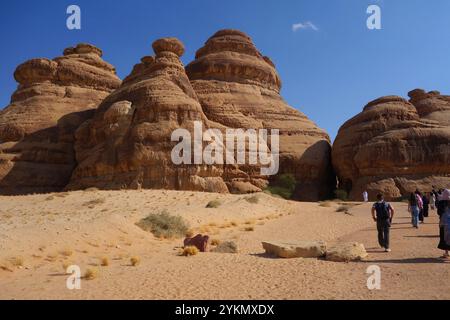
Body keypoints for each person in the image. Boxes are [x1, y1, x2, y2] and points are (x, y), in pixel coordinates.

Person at [437, 189, 450, 259]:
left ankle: (446, 253)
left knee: (444, 238)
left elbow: (439, 212)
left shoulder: (441, 203)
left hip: (444, 223)